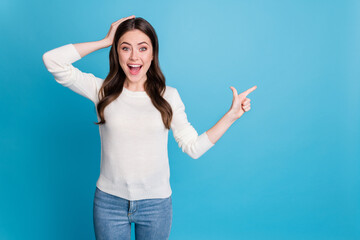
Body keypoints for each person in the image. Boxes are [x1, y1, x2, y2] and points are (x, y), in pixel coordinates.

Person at [42, 15, 256, 240]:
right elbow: (52, 61)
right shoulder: (101, 91)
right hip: (109, 203)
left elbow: (194, 147)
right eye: (125, 48)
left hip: (156, 205)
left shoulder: (169, 97)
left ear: (153, 54)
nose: (134, 57)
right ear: (116, 53)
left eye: (143, 48)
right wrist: (105, 41)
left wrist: (231, 116)